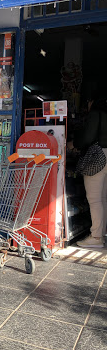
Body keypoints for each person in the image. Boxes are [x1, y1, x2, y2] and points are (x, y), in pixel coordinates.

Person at [74, 92, 107, 248]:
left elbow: (87, 138)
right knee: (103, 198)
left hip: (98, 157)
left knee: (94, 199)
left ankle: (96, 237)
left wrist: (74, 143)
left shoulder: (96, 114)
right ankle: (102, 233)